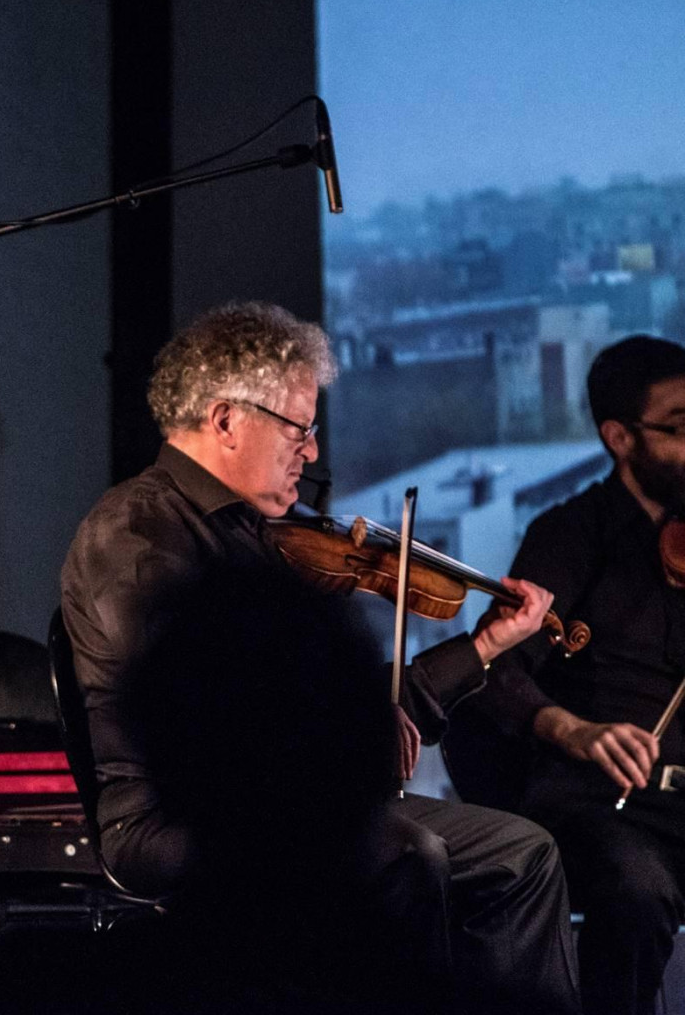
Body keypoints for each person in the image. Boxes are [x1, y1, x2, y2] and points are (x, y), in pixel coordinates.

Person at [60, 301, 580, 1013]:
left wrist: (485, 644)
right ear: (225, 420)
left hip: (288, 805)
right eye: (298, 429)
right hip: (176, 821)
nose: (310, 451)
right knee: (404, 855)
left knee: (523, 855)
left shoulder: (260, 537)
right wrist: (338, 732)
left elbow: (361, 720)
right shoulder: (136, 530)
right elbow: (198, 716)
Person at [466, 335, 685, 1015]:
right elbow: (497, 668)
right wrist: (576, 730)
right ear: (620, 438)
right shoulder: (569, 535)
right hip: (598, 802)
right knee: (638, 892)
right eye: (680, 427)